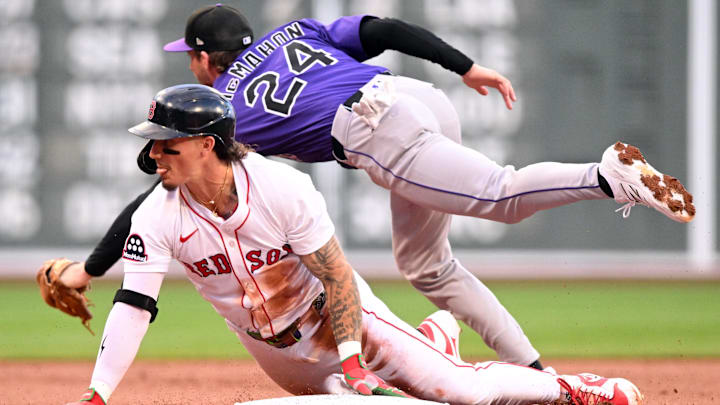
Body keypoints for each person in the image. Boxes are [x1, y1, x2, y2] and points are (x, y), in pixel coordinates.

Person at [50, 4, 694, 374]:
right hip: (415, 95)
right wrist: (466, 67)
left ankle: (607, 175)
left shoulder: (221, 110)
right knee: (426, 264)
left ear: (198, 60)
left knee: (496, 196)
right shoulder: (293, 30)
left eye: (187, 58)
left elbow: (157, 196)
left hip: (371, 129)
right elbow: (382, 30)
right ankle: (532, 370)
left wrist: (89, 268)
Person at [64, 84, 643, 405]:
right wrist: (97, 394)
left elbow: (338, 277)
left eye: (169, 142)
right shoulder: (156, 215)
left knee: (458, 394)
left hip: (341, 318)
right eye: (156, 143)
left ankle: (570, 389)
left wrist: (349, 358)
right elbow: (134, 308)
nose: (155, 154)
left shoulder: (281, 189)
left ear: (208, 144)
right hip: (273, 350)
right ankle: (430, 337)